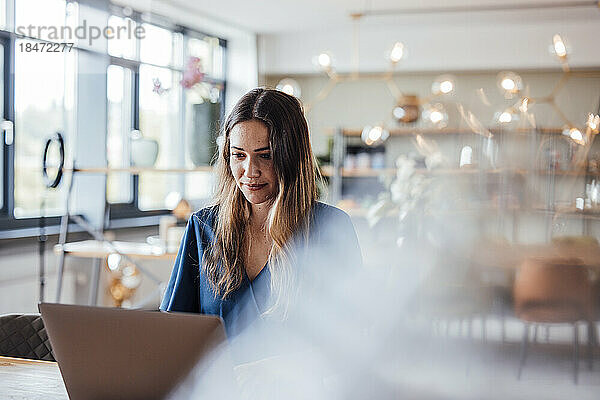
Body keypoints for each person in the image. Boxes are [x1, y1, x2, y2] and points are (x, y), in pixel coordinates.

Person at [160, 88, 362, 338]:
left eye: (265, 156)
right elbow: (171, 333)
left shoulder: (331, 227)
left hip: (297, 379)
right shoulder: (204, 227)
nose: (250, 171)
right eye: (239, 155)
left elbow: (352, 338)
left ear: (292, 156)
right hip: (216, 378)